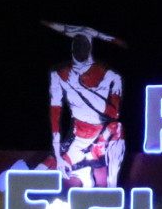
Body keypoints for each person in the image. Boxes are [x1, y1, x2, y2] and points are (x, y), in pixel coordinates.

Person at [42, 21, 127, 187]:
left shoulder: (109, 76)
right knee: (49, 167)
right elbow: (55, 114)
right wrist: (58, 155)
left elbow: (113, 114)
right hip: (80, 135)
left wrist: (79, 86)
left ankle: (112, 189)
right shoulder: (59, 75)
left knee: (117, 128)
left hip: (102, 134)